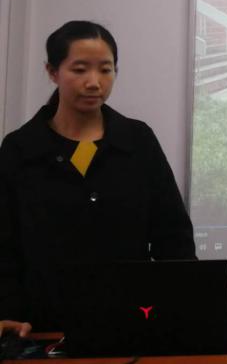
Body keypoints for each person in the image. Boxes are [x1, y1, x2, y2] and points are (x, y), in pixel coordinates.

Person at [0, 21, 195, 333]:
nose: (94, 82)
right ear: (52, 72)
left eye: (106, 70)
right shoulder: (20, 149)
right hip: (42, 326)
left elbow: (172, 236)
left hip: (132, 320)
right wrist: (7, 313)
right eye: (79, 70)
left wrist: (186, 310)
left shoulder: (137, 141)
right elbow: (5, 245)